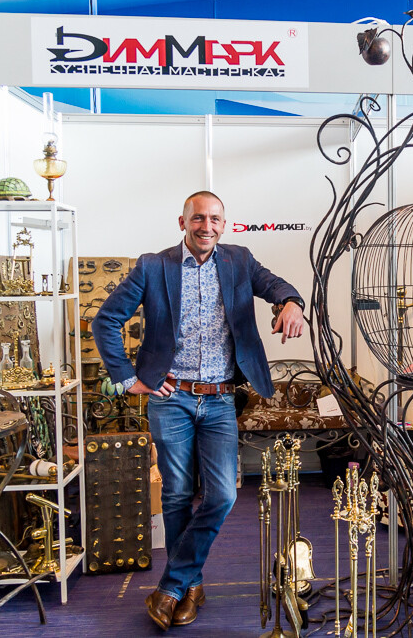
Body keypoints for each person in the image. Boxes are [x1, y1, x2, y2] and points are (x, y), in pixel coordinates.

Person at [92, 191, 305, 630]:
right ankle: (191, 587)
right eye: (198, 218)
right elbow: (105, 320)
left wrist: (292, 304)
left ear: (224, 224)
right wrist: (129, 378)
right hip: (171, 398)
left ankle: (172, 585)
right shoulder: (153, 266)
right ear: (182, 222)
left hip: (221, 398)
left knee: (223, 494)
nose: (207, 226)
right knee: (175, 495)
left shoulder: (240, 260)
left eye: (215, 219)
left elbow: (278, 287)